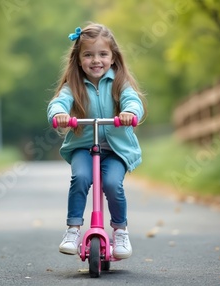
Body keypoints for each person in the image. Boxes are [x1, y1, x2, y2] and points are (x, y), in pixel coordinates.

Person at [47, 22, 147, 259]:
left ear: (113, 58)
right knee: (80, 177)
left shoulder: (119, 83)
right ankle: (73, 229)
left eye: (103, 54)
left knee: (113, 184)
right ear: (79, 59)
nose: (96, 60)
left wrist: (130, 114)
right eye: (88, 55)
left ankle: (120, 231)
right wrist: (59, 115)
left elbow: (133, 101)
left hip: (115, 150)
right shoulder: (74, 86)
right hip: (83, 146)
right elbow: (58, 103)